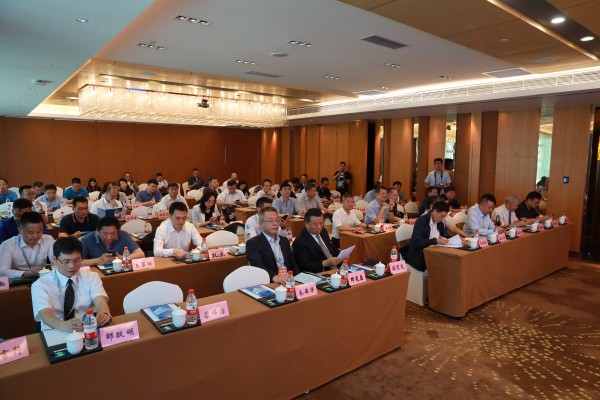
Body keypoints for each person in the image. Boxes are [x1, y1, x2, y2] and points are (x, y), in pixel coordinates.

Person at [31, 236, 111, 332]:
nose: (72, 266)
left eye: (76, 260)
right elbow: (45, 314)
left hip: (86, 326)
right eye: (66, 261)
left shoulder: (91, 277)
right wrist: (62, 325)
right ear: (54, 259)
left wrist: (104, 313)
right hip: (56, 329)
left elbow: (100, 301)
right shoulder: (40, 285)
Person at [246, 207, 298, 283]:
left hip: (289, 280)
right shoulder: (253, 243)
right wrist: (274, 277)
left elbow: (292, 263)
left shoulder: (284, 241)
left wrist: (298, 277)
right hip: (270, 282)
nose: (275, 223)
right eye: (270, 220)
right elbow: (258, 265)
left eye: (277, 220)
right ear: (261, 224)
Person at [0, 212, 54, 279]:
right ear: (19, 230)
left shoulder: (48, 239)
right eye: (30, 232)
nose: (36, 236)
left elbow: (56, 260)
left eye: (39, 231)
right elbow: (2, 271)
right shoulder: (8, 245)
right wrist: (26, 273)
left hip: (41, 278)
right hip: (18, 281)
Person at [292, 208, 340, 273]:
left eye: (322, 223)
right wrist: (324, 263)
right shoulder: (300, 242)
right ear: (306, 223)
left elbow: (330, 247)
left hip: (336, 268)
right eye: (316, 224)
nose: (320, 227)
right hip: (320, 273)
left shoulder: (323, 231)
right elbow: (304, 266)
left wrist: (341, 254)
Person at [407, 201, 450, 272]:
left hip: (435, 252)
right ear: (435, 211)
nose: (442, 219)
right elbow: (417, 241)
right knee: (444, 264)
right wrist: (435, 240)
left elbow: (444, 235)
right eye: (441, 216)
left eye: (444, 217)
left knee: (449, 261)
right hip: (421, 255)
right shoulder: (421, 221)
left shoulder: (440, 223)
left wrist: (458, 239)